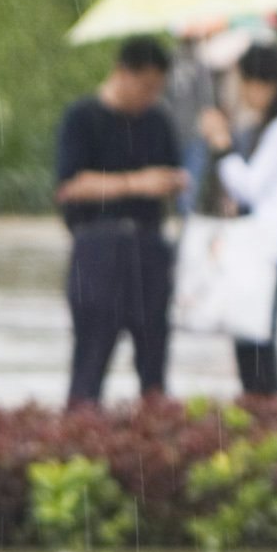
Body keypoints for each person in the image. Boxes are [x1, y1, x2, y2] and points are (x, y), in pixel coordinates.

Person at [55, 34, 182, 405]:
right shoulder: (82, 117)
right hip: (97, 247)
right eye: (145, 86)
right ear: (122, 73)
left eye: (158, 88)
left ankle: (156, 447)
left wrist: (173, 182)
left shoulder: (159, 120)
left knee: (154, 363)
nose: (150, 96)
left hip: (149, 247)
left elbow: (172, 174)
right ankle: (79, 444)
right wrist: (134, 183)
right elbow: (70, 186)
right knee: (90, 361)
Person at [198, 41, 277, 396]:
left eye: (246, 82)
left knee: (256, 347)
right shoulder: (276, 127)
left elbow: (248, 186)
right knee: (251, 344)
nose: (243, 92)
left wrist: (221, 143)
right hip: (260, 248)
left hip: (264, 250)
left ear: (266, 84)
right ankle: (264, 415)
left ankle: (266, 415)